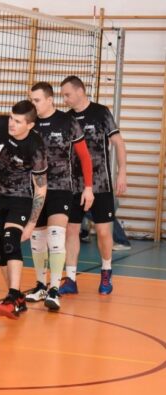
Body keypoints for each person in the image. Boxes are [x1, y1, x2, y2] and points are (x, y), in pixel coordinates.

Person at [25, 82, 93, 310]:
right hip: (36, 189)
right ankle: (40, 285)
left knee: (56, 236)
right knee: (37, 240)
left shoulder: (67, 122)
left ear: (49, 99)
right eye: (31, 100)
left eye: (36, 100)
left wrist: (89, 188)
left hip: (61, 188)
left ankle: (54, 289)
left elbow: (84, 157)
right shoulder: (30, 124)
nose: (33, 104)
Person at [60, 75, 127, 295]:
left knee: (103, 231)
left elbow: (118, 143)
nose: (65, 99)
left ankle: (106, 272)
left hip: (101, 185)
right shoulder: (66, 118)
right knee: (71, 230)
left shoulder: (101, 112)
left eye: (67, 95)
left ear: (80, 91)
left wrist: (122, 173)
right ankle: (70, 278)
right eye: (63, 96)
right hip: (73, 186)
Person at [0, 101, 47, 319]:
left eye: (18, 121)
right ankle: (17, 298)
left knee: (10, 241)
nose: (11, 124)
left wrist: (32, 223)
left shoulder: (35, 146)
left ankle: (13, 296)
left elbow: (41, 187)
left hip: (20, 198)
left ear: (30, 125)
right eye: (11, 118)